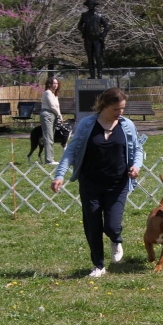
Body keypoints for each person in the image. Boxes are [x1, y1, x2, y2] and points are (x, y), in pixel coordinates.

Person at [50, 88, 144, 277]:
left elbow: (138, 149)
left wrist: (136, 165)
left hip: (117, 184)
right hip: (90, 183)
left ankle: (115, 239)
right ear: (105, 106)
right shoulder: (87, 125)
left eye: (123, 109)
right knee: (92, 225)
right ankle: (98, 266)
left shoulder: (127, 125)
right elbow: (71, 151)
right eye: (117, 109)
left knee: (111, 226)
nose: (120, 113)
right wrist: (60, 175)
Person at [77, 0, 110, 79]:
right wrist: (83, 31)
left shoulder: (100, 15)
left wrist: (103, 35)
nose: (90, 6)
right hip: (88, 39)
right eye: (89, 4)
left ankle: (100, 74)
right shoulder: (84, 15)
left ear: (94, 5)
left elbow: (107, 26)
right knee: (90, 57)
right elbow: (79, 25)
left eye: (91, 4)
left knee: (98, 56)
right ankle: (92, 75)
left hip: (97, 39)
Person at [40, 77, 62, 165]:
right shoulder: (48, 92)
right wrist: (59, 114)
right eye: (53, 83)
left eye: (56, 83)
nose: (55, 85)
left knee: (51, 137)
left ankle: (50, 158)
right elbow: (52, 106)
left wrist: (60, 116)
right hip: (47, 114)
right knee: (48, 137)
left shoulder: (55, 94)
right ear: (49, 84)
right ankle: (49, 160)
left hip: (53, 114)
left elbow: (57, 106)